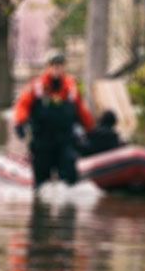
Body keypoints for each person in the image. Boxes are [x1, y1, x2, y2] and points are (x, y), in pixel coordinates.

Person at [13, 50, 94, 188]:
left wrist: (91, 130)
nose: (57, 67)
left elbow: (81, 111)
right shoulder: (36, 86)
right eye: (54, 64)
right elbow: (22, 105)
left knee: (70, 176)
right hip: (42, 141)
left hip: (65, 141)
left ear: (64, 67)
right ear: (48, 67)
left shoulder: (70, 87)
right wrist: (20, 122)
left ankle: (69, 206)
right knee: (41, 183)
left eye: (60, 64)